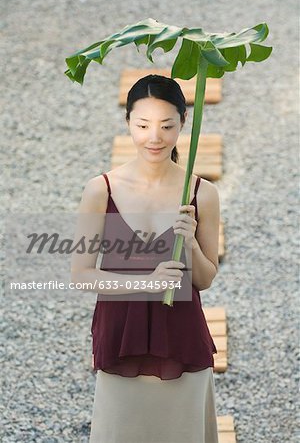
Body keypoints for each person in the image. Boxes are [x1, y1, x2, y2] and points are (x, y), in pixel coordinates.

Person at [71, 74, 220, 443]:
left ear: (183, 124)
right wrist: (146, 282)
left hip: (182, 338)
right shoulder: (100, 190)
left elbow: (205, 278)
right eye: (143, 125)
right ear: (128, 124)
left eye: (167, 125)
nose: (154, 137)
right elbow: (81, 274)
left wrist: (192, 246)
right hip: (120, 336)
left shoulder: (203, 193)